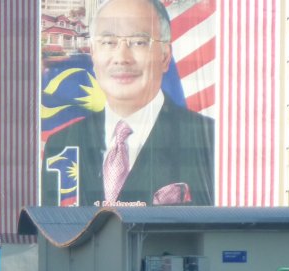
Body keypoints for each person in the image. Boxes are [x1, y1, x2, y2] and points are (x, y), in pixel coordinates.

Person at [42, 0, 214, 207]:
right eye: (108, 42)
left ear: (165, 57)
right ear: (93, 55)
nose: (122, 58)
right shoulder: (61, 145)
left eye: (139, 42)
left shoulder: (209, 139)